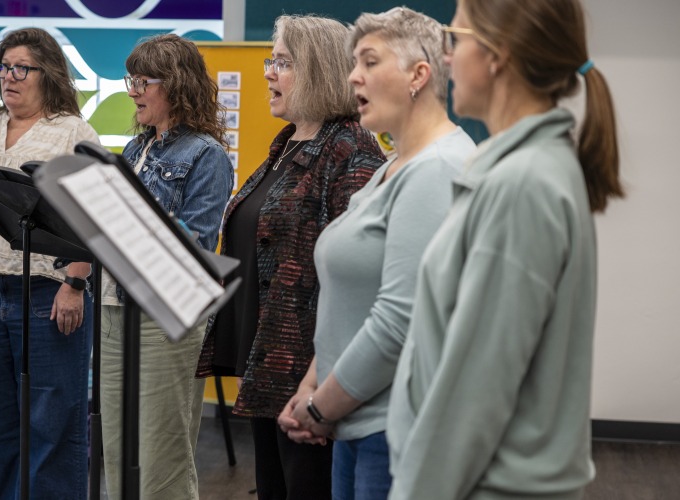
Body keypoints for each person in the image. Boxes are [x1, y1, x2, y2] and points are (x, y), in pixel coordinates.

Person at [385, 0, 625, 498]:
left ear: (499, 55)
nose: (447, 57)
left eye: (457, 36)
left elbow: (474, 394)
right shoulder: (521, 171)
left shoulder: (523, 185)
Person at [274, 8, 476, 499]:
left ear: (418, 75)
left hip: (395, 427)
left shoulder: (437, 169)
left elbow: (399, 318)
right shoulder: (393, 166)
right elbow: (350, 299)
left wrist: (320, 408)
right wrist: (310, 385)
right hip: (356, 420)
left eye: (369, 61)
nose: (353, 76)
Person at [196, 15, 385, 500]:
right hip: (266, 364)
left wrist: (322, 383)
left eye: (282, 62)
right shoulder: (287, 144)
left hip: (310, 372)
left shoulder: (351, 149)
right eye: (270, 60)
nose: (267, 72)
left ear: (319, 70)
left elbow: (359, 278)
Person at [0, 27, 100, 499]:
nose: (10, 77)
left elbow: (94, 216)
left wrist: (75, 282)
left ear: (48, 74)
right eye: (4, 67)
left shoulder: (73, 131)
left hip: (46, 294)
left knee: (52, 427)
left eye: (22, 68)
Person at [98, 34, 233, 500]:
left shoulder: (206, 154)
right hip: (114, 311)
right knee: (117, 453)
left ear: (176, 85)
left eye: (142, 80)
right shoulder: (136, 151)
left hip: (166, 320)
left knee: (161, 460)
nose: (132, 90)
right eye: (129, 79)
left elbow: (194, 244)